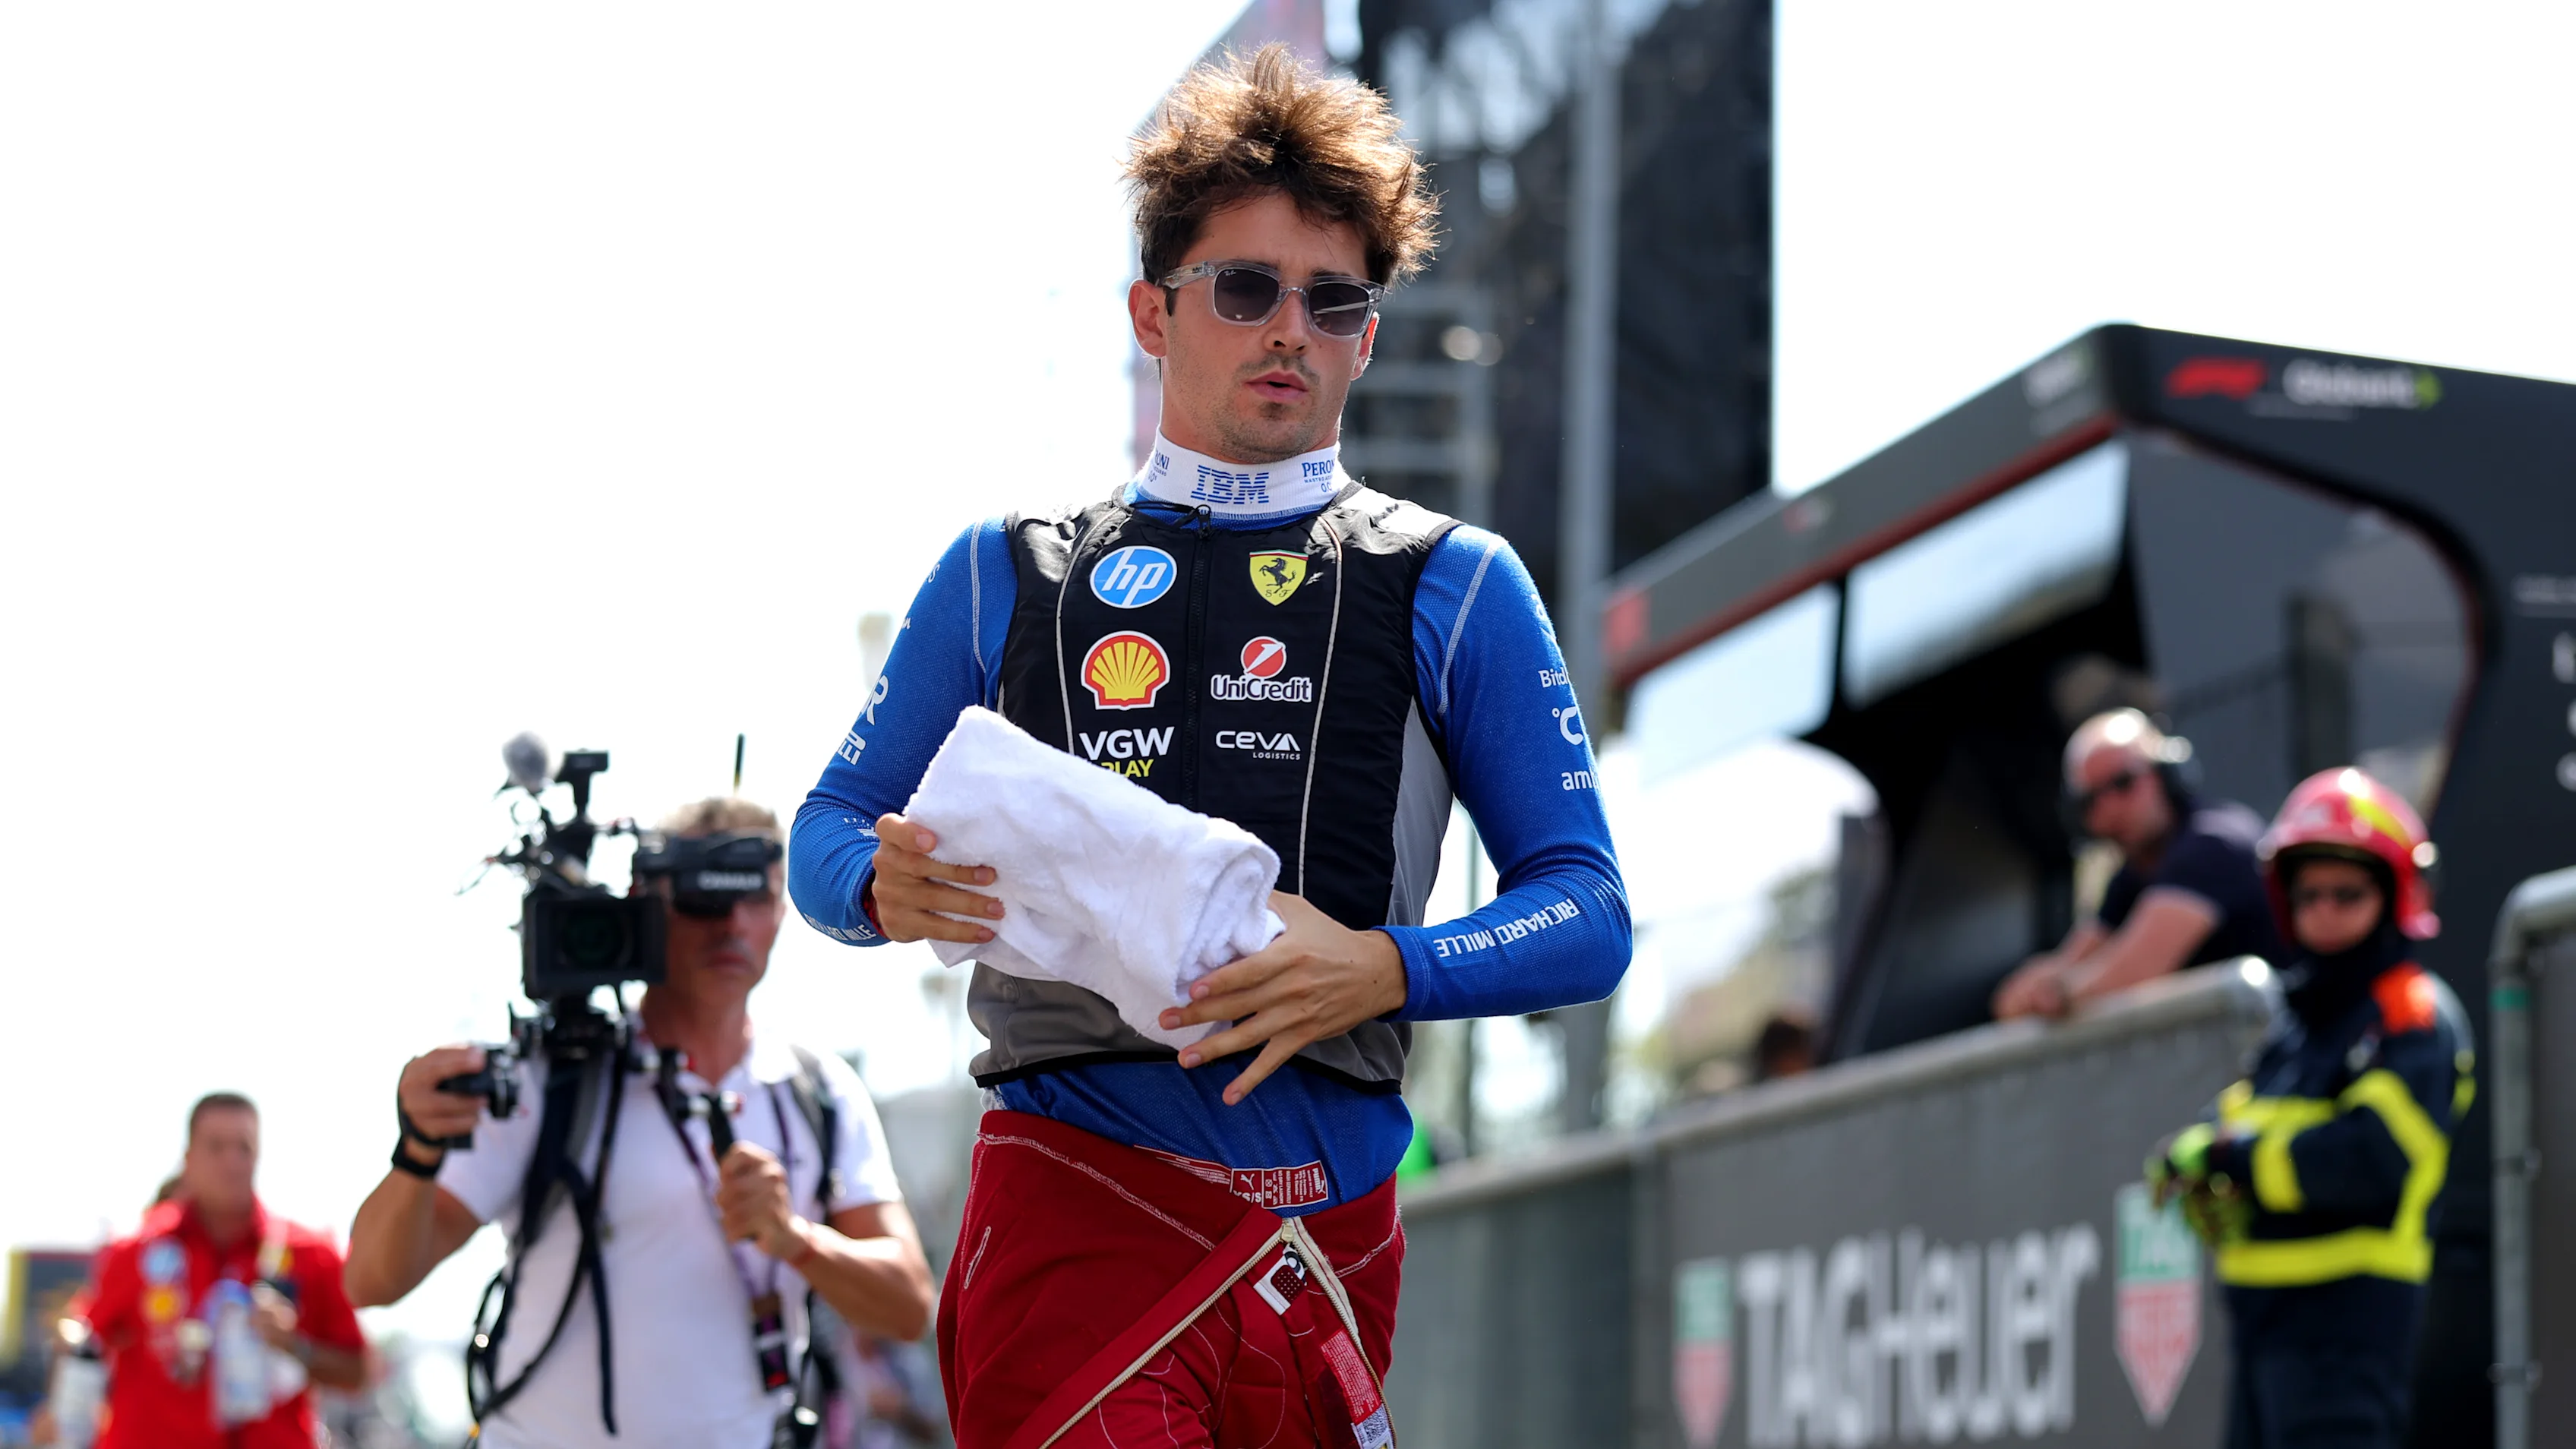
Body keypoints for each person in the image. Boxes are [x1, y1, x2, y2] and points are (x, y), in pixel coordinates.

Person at [790, 46, 1631, 1449]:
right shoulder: (1004, 572)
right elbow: (824, 833)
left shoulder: (1456, 580)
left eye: (1331, 298)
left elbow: (1589, 914)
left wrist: (1386, 966)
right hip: (1074, 1202)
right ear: (1153, 313)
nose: (1287, 328)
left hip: (1333, 1233)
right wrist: (875, 888)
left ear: (1367, 333)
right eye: (1244, 288)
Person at [345, 797, 936, 1449]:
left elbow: (910, 1307)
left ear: (782, 911)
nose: (731, 924)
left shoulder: (817, 1089)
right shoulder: (555, 1079)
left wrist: (796, 1239)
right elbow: (371, 1280)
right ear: (643, 903)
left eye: (755, 896)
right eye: (703, 898)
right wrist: (421, 1148)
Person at [2144, 768, 2470, 1448]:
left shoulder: (2412, 1018)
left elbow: (2369, 1162)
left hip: (2347, 1336)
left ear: (2394, 895)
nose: (2324, 911)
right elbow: (2245, 1120)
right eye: (2308, 894)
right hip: (2263, 1335)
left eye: (2347, 894)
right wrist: (2195, 1155)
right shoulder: (2294, 1026)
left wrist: (2234, 1158)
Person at [71, 1093, 368, 1449]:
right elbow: (84, 1343)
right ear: (188, 1159)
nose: (232, 1162)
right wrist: (63, 1414)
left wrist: (294, 1346)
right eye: (216, 1147)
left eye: (243, 1148)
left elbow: (358, 1373)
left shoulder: (309, 1255)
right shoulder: (134, 1253)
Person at [1994, 708, 2285, 1020]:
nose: (2109, 809)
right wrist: (2040, 988)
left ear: (2168, 773)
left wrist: (2056, 994)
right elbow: (2063, 968)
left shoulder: (2211, 844)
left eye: (2123, 783)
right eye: (2089, 801)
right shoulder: (2129, 879)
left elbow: (2127, 977)